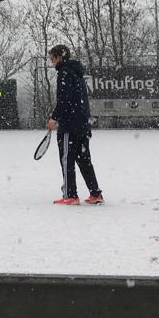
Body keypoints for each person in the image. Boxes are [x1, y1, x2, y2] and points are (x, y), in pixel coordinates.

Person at [45, 44, 103, 205]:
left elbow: (64, 100)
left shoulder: (64, 72)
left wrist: (54, 118)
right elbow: (79, 101)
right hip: (83, 124)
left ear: (59, 57)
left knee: (66, 159)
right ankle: (95, 193)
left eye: (52, 58)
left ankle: (70, 195)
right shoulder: (77, 73)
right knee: (84, 159)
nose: (52, 62)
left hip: (70, 126)